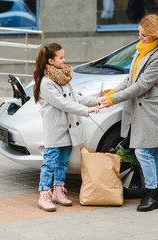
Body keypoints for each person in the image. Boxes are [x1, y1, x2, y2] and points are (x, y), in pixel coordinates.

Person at [99, 14, 158, 212]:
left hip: (152, 111)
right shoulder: (141, 50)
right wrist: (113, 92)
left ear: (155, 34)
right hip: (143, 110)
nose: (140, 38)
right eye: (139, 34)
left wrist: (112, 100)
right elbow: (130, 79)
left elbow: (142, 85)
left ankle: (151, 195)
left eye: (144, 35)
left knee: (143, 151)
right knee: (154, 151)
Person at [33, 43, 100, 212]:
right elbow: (63, 103)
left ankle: (58, 191)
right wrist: (87, 110)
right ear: (50, 60)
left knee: (62, 162)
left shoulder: (63, 78)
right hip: (55, 130)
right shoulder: (47, 83)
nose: (64, 60)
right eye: (61, 57)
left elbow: (76, 98)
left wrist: (98, 100)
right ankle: (44, 194)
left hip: (69, 129)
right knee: (49, 163)